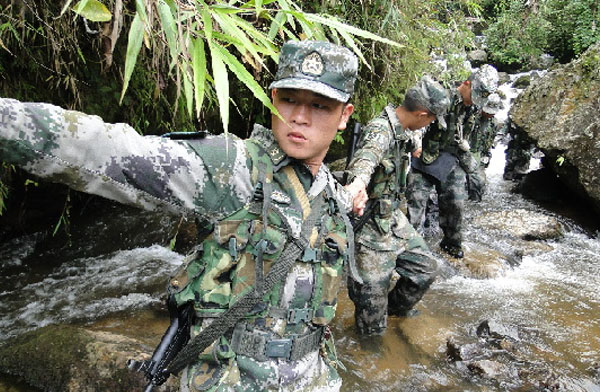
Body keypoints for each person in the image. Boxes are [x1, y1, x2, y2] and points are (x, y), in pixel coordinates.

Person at [0, 40, 361, 391]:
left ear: (345, 115)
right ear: (272, 99)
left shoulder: (330, 194)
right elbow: (109, 150)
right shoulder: (233, 169)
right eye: (289, 99)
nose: (299, 116)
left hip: (315, 380)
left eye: (320, 105)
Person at [343, 76, 450, 335]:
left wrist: (415, 143)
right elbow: (367, 157)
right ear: (423, 114)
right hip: (369, 228)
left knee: (426, 270)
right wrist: (358, 183)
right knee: (371, 326)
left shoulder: (401, 131)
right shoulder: (381, 131)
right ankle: (371, 339)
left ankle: (393, 313)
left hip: (393, 222)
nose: (432, 123)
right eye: (432, 119)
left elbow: (403, 146)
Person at [406, 64, 499, 259]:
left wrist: (468, 155)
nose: (475, 101)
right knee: (416, 204)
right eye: (475, 94)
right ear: (467, 84)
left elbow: (469, 136)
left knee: (456, 202)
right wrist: (415, 142)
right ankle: (409, 250)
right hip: (424, 158)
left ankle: (451, 244)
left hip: (450, 158)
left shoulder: (473, 108)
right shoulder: (442, 97)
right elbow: (415, 118)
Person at [464, 93, 504, 201]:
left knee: (479, 184)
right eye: (487, 112)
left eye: (491, 113)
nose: (489, 114)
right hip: (466, 152)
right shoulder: (471, 117)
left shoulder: (494, 123)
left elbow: (491, 139)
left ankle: (474, 205)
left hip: (480, 156)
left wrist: (487, 154)